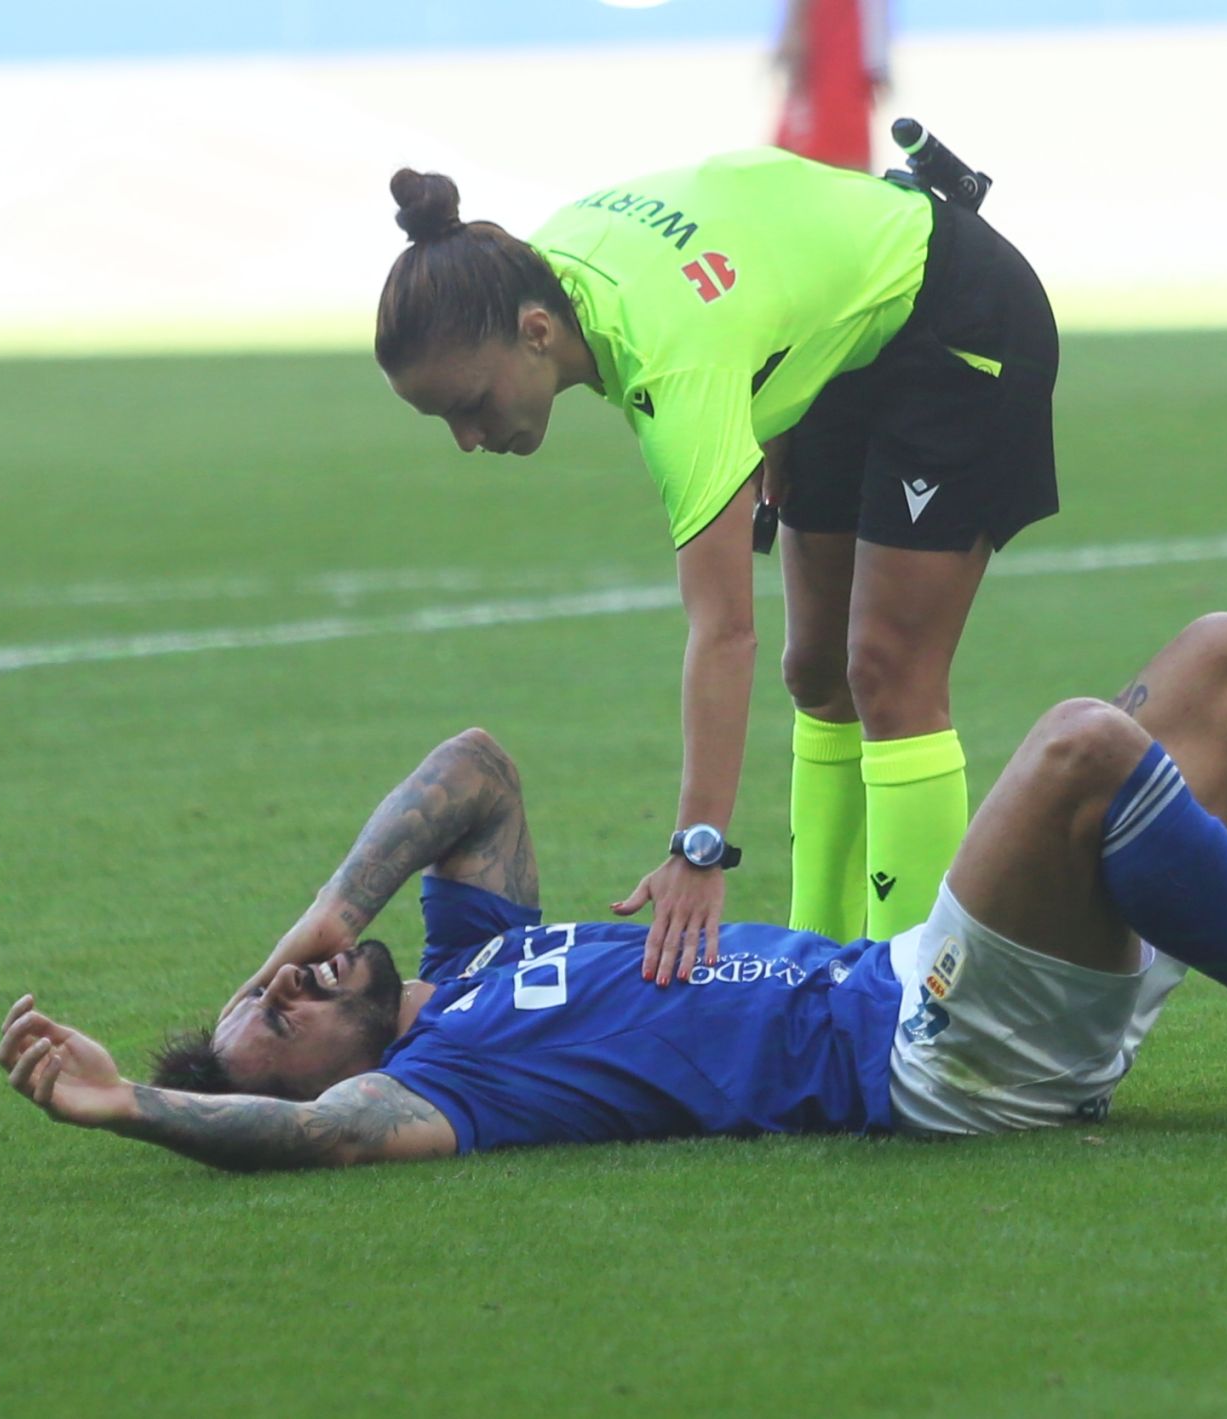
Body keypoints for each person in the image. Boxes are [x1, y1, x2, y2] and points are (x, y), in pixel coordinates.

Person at [0, 613, 1227, 1172]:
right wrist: (140, 1102)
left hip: (936, 979)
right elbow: (306, 1134)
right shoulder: (436, 1082)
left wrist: (321, 908)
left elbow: (474, 765)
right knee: (1082, 748)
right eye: (269, 1023)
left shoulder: (468, 959)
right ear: (321, 1077)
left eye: (264, 983)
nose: (280, 996)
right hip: (934, 1054)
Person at [371, 141, 1060, 983]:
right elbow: (752, 221)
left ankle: (917, 992)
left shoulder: (674, 366)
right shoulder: (531, 268)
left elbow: (724, 629)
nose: (468, 439)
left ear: (536, 332)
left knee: (887, 668)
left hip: (963, 317)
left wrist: (699, 849)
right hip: (847, 342)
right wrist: (771, 405)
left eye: (471, 405)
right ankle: (825, 961)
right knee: (815, 671)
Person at [773, 0, 890, 172]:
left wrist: (879, 63)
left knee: (845, 142)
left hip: (847, 57)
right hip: (820, 55)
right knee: (807, 144)